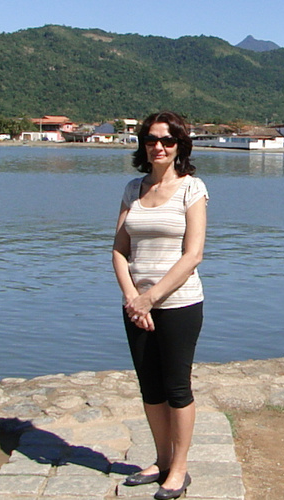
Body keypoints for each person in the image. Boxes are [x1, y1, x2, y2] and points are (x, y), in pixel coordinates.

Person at [111, 112, 206, 499]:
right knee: (150, 388)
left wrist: (151, 297)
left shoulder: (192, 189)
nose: (159, 147)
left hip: (179, 304)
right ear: (143, 144)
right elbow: (119, 250)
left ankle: (179, 470)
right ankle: (162, 460)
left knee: (176, 387)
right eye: (151, 140)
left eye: (167, 141)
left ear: (180, 146)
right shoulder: (133, 189)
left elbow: (193, 254)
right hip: (135, 306)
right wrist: (134, 299)